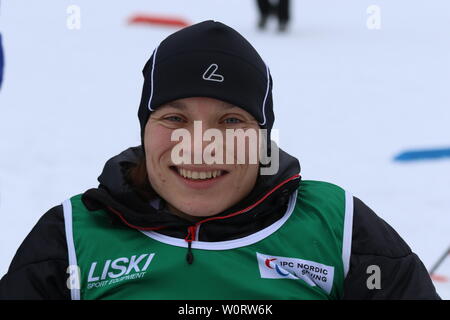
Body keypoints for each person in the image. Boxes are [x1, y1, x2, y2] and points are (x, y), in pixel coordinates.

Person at [0, 21, 440, 300]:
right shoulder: (72, 237)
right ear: (144, 128)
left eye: (230, 120)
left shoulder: (338, 226)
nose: (201, 145)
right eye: (174, 118)